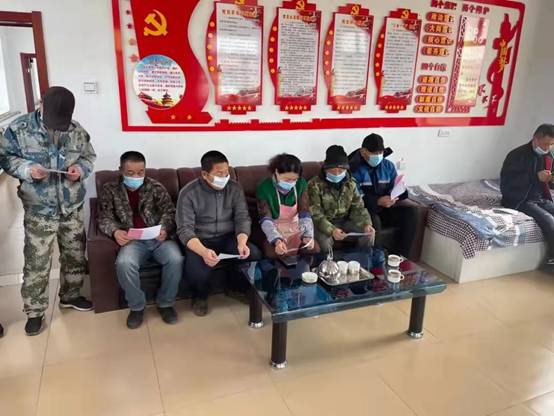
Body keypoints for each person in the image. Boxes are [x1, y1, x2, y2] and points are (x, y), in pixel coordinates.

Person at [0, 86, 96, 336]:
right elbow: (5, 158)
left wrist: (80, 170)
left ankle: (71, 295)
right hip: (39, 209)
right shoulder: (19, 129)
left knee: (75, 255)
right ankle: (35, 311)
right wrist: (27, 169)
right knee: (37, 261)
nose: (58, 127)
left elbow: (88, 157)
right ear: (41, 104)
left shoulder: (76, 130)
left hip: (71, 206)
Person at [98, 151, 184, 329]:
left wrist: (164, 228)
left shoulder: (155, 187)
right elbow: (104, 216)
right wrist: (115, 232)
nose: (136, 177)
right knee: (124, 263)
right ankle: (137, 307)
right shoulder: (110, 189)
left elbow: (170, 211)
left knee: (176, 259)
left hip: (158, 238)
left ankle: (166, 303)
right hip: (132, 240)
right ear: (121, 170)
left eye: (140, 172)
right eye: (130, 173)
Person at [176, 151, 260, 316]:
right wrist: (203, 251)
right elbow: (184, 229)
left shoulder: (234, 188)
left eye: (227, 173)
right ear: (205, 174)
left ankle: (236, 288)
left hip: (228, 237)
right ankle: (200, 296)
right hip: (200, 240)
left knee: (253, 254)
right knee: (196, 269)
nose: (225, 177)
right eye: (219, 174)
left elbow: (242, 218)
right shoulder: (188, 193)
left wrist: (242, 242)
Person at [349, 133, 416, 252]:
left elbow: (398, 187)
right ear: (363, 152)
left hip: (387, 207)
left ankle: (401, 255)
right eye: (374, 153)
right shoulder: (354, 168)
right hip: (366, 208)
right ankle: (375, 257)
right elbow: (355, 198)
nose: (378, 156)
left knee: (409, 213)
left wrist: (394, 196)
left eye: (380, 152)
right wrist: (378, 201)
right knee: (374, 221)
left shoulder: (388, 166)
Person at [501, 124, 554, 271]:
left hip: (541, 197)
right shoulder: (517, 155)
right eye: (545, 144)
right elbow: (507, 182)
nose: (548, 148)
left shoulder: (548, 156)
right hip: (520, 198)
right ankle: (551, 260)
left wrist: (551, 179)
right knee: (550, 222)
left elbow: (549, 183)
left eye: (551, 144)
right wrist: (536, 176)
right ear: (535, 139)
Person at [308, 145, 375, 253]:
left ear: (346, 169)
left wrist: (366, 223)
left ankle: (362, 260)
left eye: (340, 170)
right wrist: (332, 230)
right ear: (325, 168)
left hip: (345, 221)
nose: (337, 174)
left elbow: (358, 208)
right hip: (323, 224)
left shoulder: (351, 183)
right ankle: (329, 263)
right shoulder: (314, 185)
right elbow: (316, 215)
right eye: (332, 171)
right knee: (325, 242)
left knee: (368, 233)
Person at [256, 153, 317, 258]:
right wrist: (277, 240)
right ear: (276, 172)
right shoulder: (264, 188)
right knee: (273, 254)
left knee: (313, 249)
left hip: (296, 227)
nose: (291, 183)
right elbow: (265, 218)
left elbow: (305, 212)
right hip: (274, 228)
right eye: (287, 180)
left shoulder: (301, 184)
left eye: (294, 180)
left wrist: (307, 235)